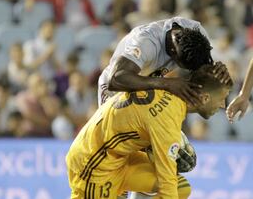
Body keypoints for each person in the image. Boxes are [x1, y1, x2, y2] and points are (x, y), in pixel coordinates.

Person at [66, 65, 233, 199]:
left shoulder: (167, 90)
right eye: (221, 99)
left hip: (120, 159)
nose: (222, 106)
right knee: (170, 187)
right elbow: (166, 185)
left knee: (181, 188)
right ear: (204, 98)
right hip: (95, 164)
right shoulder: (167, 119)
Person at [98, 16, 231, 107]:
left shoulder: (197, 33)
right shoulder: (145, 42)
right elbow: (115, 79)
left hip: (149, 85)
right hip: (116, 91)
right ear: (173, 53)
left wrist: (215, 71)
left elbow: (203, 66)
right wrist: (167, 83)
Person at [226, 58, 253, 122]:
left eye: (234, 70)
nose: (232, 73)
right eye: (229, 70)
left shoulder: (244, 84)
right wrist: (244, 95)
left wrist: (244, 95)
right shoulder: (220, 90)